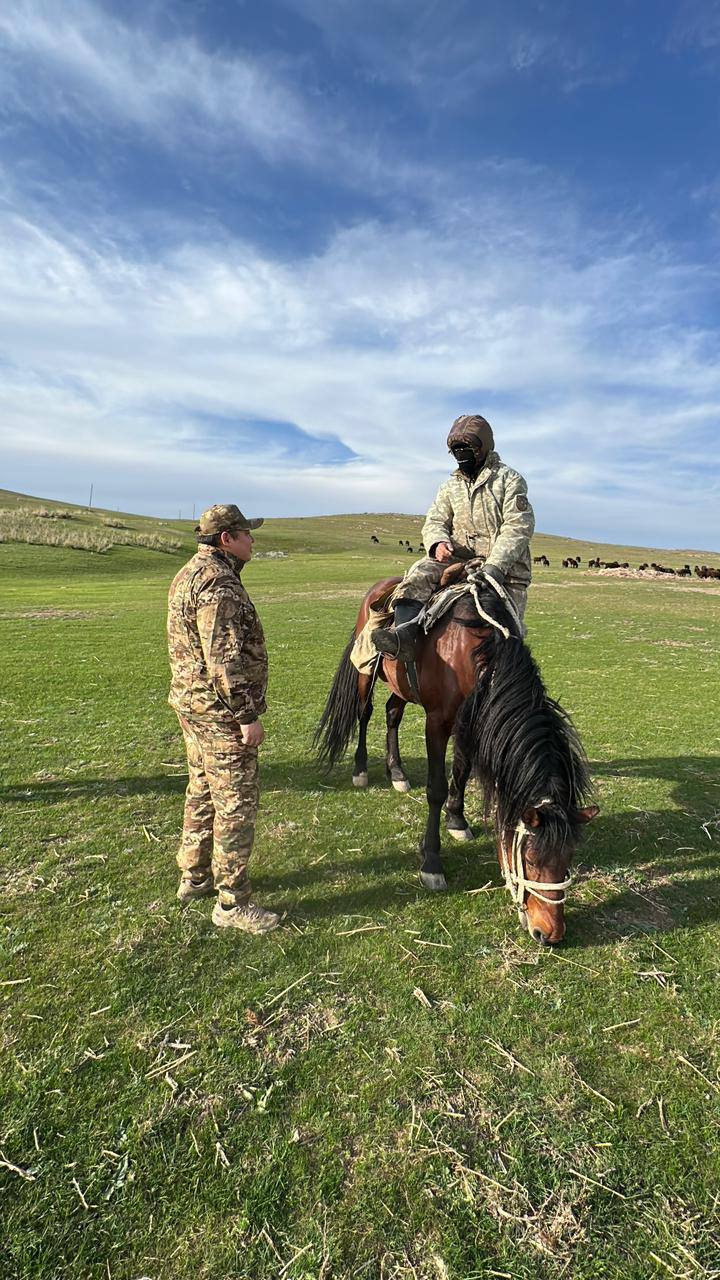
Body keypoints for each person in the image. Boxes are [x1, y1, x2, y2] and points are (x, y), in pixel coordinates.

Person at [167, 503, 279, 934]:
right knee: (235, 802)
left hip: (192, 707)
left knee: (201, 787)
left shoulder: (190, 573)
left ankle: (193, 876)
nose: (253, 539)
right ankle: (232, 903)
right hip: (219, 714)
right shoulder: (219, 585)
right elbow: (223, 660)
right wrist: (246, 715)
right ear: (226, 539)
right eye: (246, 533)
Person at [372, 414, 534, 660]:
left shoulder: (509, 480)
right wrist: (437, 542)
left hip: (505, 570)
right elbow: (435, 519)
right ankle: (403, 636)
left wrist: (495, 567)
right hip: (457, 559)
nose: (460, 454)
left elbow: (518, 525)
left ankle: (509, 683)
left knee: (507, 634)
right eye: (455, 449)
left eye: (465, 448)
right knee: (418, 573)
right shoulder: (450, 486)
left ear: (482, 447)